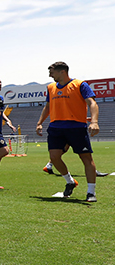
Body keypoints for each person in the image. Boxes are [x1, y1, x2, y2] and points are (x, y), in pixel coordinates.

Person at [35, 62, 100, 202]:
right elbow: (47, 107)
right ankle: (70, 181)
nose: (50, 75)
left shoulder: (80, 84)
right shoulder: (50, 87)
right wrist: (40, 123)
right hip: (56, 128)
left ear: (62, 72)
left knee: (86, 159)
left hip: (76, 127)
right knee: (54, 157)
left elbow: (92, 103)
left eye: (52, 72)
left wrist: (94, 122)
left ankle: (91, 192)